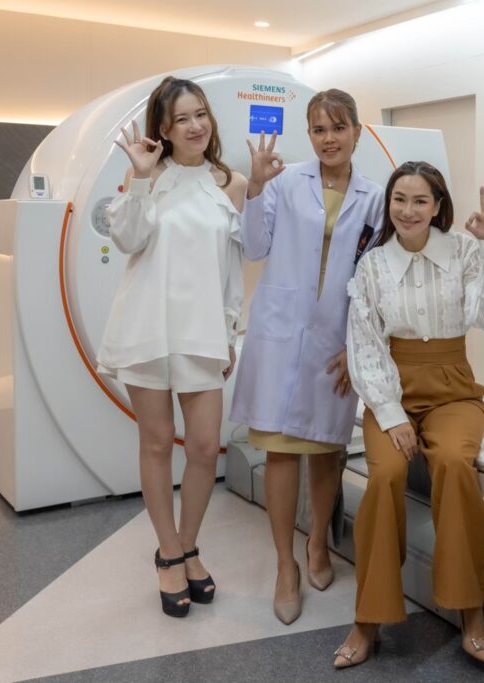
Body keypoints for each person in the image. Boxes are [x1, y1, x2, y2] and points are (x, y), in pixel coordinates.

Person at [333, 162, 484, 668]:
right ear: (388, 204)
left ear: (438, 206)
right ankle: (368, 618)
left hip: (453, 390)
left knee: (455, 464)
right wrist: (390, 413)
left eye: (420, 200)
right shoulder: (373, 266)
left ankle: (470, 608)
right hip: (390, 388)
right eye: (400, 199)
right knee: (384, 476)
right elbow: (365, 343)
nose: (408, 210)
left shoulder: (463, 251)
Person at [229, 89, 384, 625]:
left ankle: (318, 542)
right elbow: (254, 246)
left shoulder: (375, 197)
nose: (329, 139)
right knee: (279, 452)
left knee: (325, 451)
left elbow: (375, 280)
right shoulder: (284, 182)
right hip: (280, 334)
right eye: (318, 129)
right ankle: (285, 565)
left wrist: (357, 345)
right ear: (309, 135)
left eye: (338, 127)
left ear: (357, 131)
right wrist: (254, 188)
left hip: (335, 341)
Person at [97, 76, 245, 618]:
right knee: (157, 444)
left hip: (201, 331)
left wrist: (230, 331)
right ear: (164, 126)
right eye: (182, 118)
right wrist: (140, 178)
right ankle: (169, 553)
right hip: (147, 329)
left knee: (204, 447)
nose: (195, 126)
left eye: (200, 114)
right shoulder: (146, 176)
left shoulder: (230, 182)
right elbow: (128, 240)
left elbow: (230, 267)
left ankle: (187, 543)